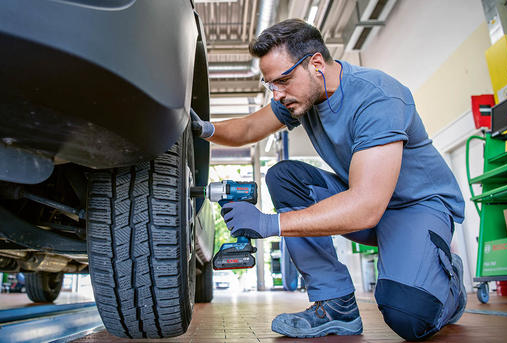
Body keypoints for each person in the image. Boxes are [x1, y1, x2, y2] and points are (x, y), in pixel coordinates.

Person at [191, 18, 466, 341]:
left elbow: (366, 206)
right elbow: (251, 128)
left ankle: (450, 287)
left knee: (408, 315)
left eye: (283, 80)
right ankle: (335, 304)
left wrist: (270, 223)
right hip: (365, 201)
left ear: (316, 63)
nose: (277, 94)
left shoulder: (377, 97)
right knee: (285, 177)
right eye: (271, 85)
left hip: (415, 207)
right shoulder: (301, 97)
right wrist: (203, 129)